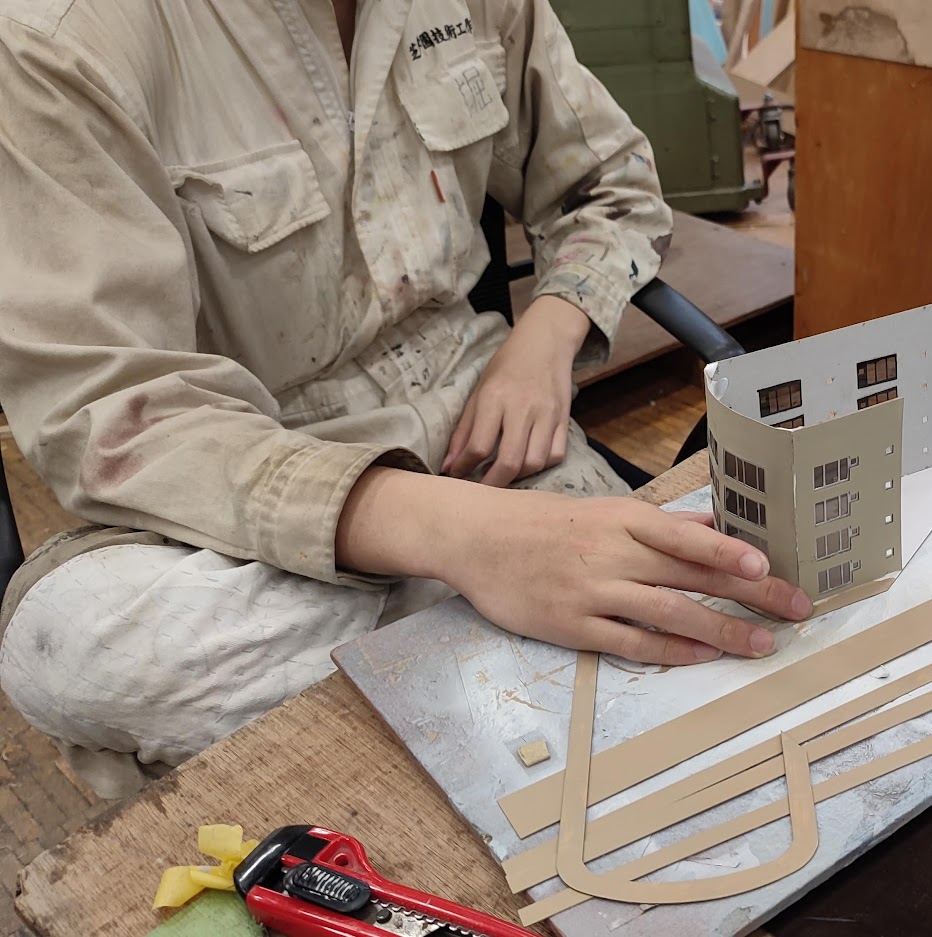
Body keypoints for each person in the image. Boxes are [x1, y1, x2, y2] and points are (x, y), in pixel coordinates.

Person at [0, 0, 810, 799]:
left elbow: (613, 184)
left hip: (493, 446)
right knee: (65, 641)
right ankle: (520, 665)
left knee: (729, 609)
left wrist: (548, 332)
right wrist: (470, 539)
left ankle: (479, 687)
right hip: (257, 503)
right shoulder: (61, 38)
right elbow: (116, 410)